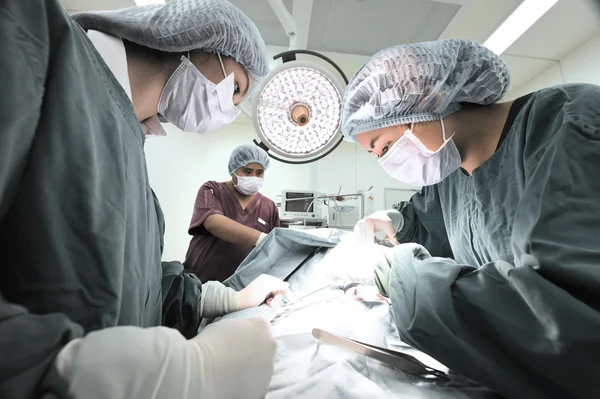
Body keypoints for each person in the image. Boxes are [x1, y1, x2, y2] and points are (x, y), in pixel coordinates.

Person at [0, 1, 289, 398]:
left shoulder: (140, 183)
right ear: (200, 40)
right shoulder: (32, 37)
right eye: (235, 88)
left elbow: (140, 289)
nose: (228, 109)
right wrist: (66, 370)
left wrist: (224, 298)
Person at [341, 38, 600, 399]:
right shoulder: (450, 177)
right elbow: (425, 219)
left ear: (427, 100)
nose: (387, 162)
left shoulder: (567, 125)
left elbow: (560, 315)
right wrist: (391, 220)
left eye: (385, 147)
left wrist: (398, 276)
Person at [185, 144, 281, 282]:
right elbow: (213, 222)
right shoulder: (211, 190)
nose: (254, 177)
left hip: (243, 286)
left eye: (259, 172)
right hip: (202, 281)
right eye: (247, 171)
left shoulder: (269, 206)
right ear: (233, 169)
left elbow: (273, 250)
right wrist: (262, 239)